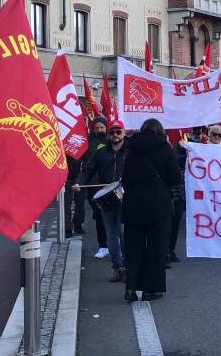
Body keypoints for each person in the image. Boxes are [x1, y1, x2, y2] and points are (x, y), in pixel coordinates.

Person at [120, 119, 181, 302]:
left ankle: (131, 288)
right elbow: (174, 177)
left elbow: (125, 177)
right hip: (158, 204)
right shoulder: (164, 148)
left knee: (133, 249)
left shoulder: (131, 148)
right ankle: (150, 289)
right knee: (156, 248)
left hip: (133, 204)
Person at [75, 119, 129, 281]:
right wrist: (79, 182)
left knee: (123, 232)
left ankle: (127, 265)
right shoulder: (101, 153)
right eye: (112, 132)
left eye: (118, 131)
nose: (115, 135)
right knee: (111, 233)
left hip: (125, 196)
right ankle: (117, 267)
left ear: (124, 133)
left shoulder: (131, 151)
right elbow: (87, 170)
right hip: (106, 197)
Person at [82, 116, 110, 258]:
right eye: (97, 128)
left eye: (102, 128)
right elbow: (85, 163)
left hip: (109, 184)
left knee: (113, 217)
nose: (99, 130)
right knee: (99, 216)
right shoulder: (87, 142)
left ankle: (115, 243)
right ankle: (103, 245)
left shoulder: (112, 140)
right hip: (94, 185)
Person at [167, 137, 187, 265]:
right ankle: (164, 253)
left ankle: (171, 251)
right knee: (164, 227)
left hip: (178, 197)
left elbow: (186, 160)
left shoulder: (175, 154)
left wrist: (187, 148)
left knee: (174, 226)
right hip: (164, 197)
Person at [63, 154, 85, 238]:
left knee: (78, 203)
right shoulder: (82, 143)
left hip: (78, 176)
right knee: (67, 203)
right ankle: (69, 228)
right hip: (68, 177)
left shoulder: (82, 143)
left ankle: (76, 225)